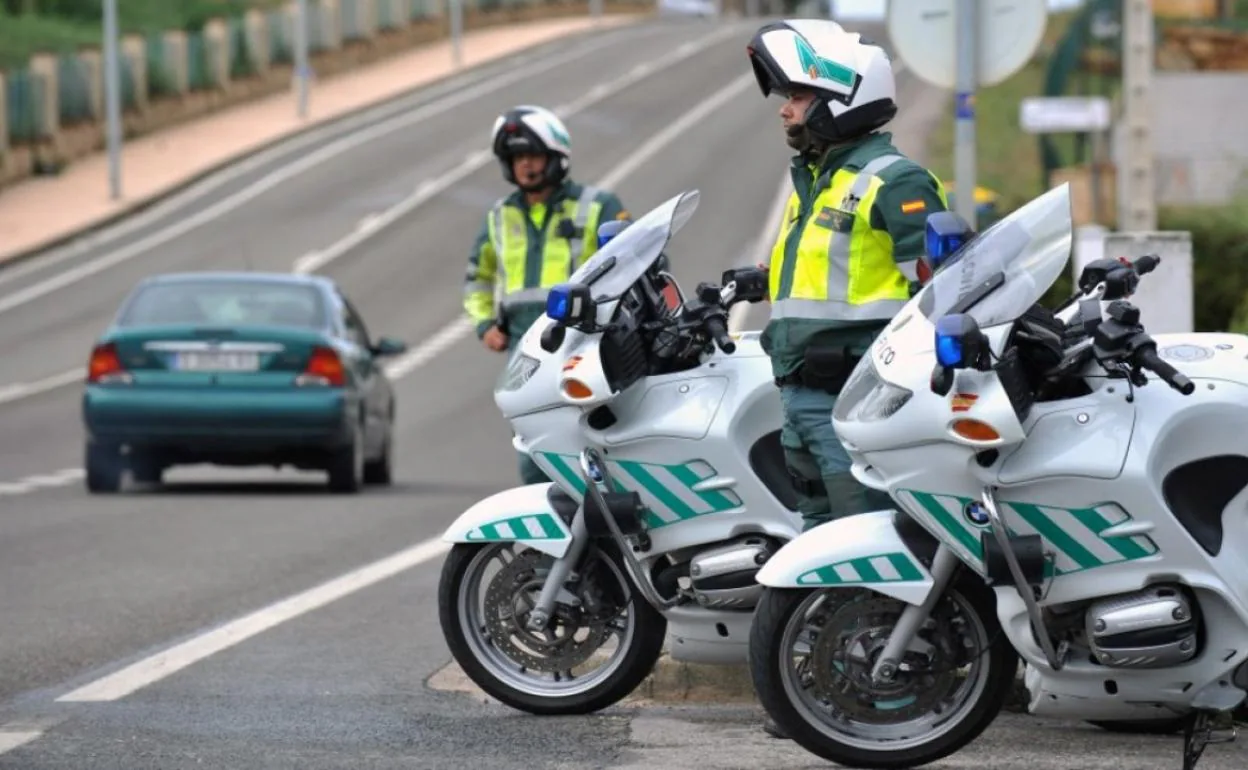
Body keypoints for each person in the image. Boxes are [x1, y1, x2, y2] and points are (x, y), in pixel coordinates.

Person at [744, 20, 951, 739]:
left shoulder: (895, 181)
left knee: (866, 546)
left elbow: (946, 282)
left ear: (841, 99)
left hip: (853, 398)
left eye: (798, 95)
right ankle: (814, 688)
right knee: (816, 545)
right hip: (802, 393)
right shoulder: (815, 180)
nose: (784, 108)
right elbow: (814, 275)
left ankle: (875, 694)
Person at [463, 105, 630, 485]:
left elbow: (635, 262)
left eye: (534, 155)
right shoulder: (499, 216)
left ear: (556, 157)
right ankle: (555, 542)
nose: (526, 165)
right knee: (534, 454)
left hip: (584, 344)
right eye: (517, 157)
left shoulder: (598, 205)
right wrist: (484, 323)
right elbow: (478, 275)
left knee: (596, 446)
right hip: (524, 351)